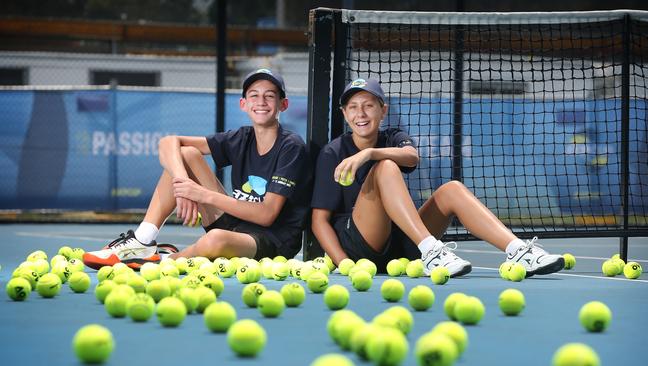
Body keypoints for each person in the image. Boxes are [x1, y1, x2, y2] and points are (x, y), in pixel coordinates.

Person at [310, 78, 565, 277]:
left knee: (452, 188)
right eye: (353, 107)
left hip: (403, 246)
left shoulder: (394, 136)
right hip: (362, 247)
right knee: (386, 166)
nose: (361, 114)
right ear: (344, 114)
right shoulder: (333, 153)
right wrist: (343, 263)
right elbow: (319, 221)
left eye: (368, 105)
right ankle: (433, 252)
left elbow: (411, 157)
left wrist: (369, 153)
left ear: (383, 110)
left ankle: (518, 251)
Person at [84, 69, 312, 269]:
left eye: (269, 96)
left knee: (213, 240)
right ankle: (143, 240)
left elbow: (266, 215)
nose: (261, 101)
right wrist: (183, 185)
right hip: (236, 225)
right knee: (185, 154)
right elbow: (168, 142)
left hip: (272, 241)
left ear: (284, 104)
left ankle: (163, 262)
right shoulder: (242, 137)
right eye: (254, 95)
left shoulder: (291, 147)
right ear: (243, 104)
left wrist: (202, 195)